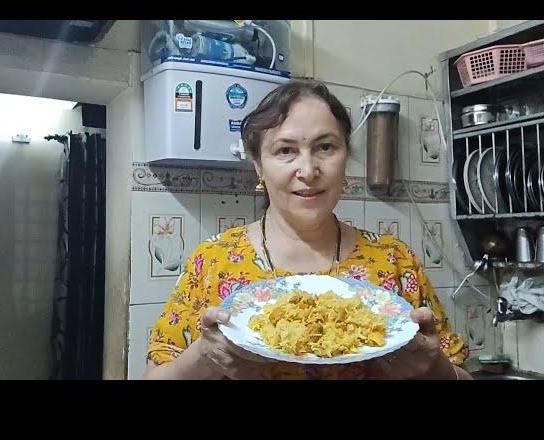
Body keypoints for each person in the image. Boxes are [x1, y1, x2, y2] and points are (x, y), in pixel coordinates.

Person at [144, 80, 471, 380]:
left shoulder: (395, 261)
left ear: (345, 157)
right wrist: (205, 357)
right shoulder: (214, 262)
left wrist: (432, 367)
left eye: (325, 147)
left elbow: (460, 373)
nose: (308, 170)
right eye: (285, 151)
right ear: (258, 165)